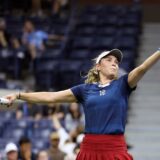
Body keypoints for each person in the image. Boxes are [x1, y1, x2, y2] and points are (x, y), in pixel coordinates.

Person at [5, 48, 160, 159]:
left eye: (117, 62)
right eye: (109, 60)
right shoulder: (85, 90)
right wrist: (19, 95)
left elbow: (142, 68)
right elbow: (51, 97)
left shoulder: (122, 85)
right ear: (98, 66)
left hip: (114, 148)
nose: (115, 63)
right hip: (89, 149)